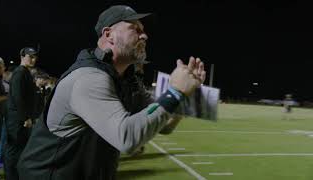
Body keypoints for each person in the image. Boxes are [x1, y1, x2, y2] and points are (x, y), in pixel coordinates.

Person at [17, 5, 206, 180]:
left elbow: (163, 124)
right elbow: (127, 137)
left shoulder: (127, 80)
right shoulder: (88, 78)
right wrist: (175, 92)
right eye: (136, 30)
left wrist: (186, 96)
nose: (145, 36)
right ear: (109, 35)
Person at [4, 47, 38, 180]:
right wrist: (26, 118)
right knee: (13, 152)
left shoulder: (24, 72)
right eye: (30, 56)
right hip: (17, 120)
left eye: (35, 57)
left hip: (20, 119)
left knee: (18, 151)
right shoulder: (19, 72)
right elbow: (18, 98)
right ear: (22, 56)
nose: (33, 60)